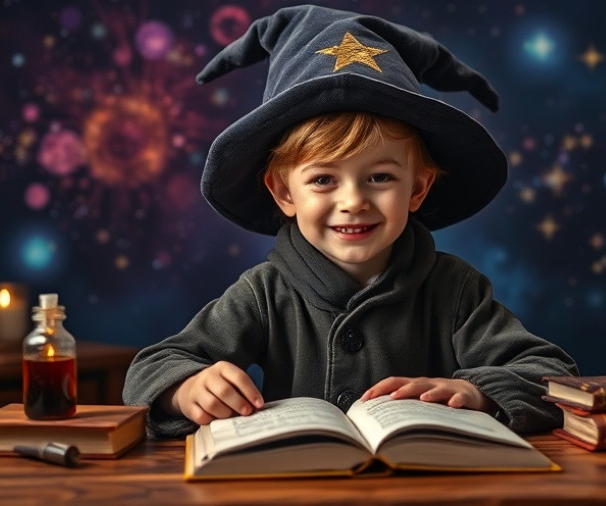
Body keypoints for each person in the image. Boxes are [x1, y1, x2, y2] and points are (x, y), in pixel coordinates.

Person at [123, 4, 578, 439]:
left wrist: (479, 393)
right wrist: (187, 389)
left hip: (430, 483)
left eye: (379, 177)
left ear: (417, 189)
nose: (353, 201)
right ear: (284, 192)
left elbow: (553, 375)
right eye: (323, 179)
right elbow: (151, 368)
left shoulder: (455, 290)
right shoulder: (264, 294)